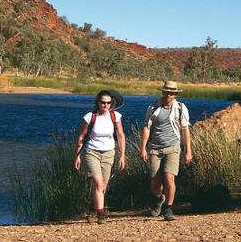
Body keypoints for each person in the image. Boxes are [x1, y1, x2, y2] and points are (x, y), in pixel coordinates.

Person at [139, 80, 192, 221]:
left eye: (172, 93)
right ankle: (159, 198)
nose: (169, 95)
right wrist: (143, 147)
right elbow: (146, 128)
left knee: (169, 178)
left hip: (173, 147)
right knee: (155, 184)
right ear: (162, 92)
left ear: (175, 95)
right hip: (155, 149)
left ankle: (168, 209)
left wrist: (188, 151)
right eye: (166, 92)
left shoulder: (180, 108)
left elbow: (185, 129)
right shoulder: (153, 107)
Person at [74, 90, 126, 224]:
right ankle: (101, 214)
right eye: (103, 103)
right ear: (98, 102)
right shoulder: (90, 117)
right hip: (92, 152)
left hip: (109, 153)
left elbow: (120, 136)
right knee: (98, 183)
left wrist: (122, 156)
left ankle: (93, 208)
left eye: (108, 103)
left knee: (103, 185)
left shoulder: (115, 116)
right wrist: (77, 156)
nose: (106, 105)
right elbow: (81, 137)